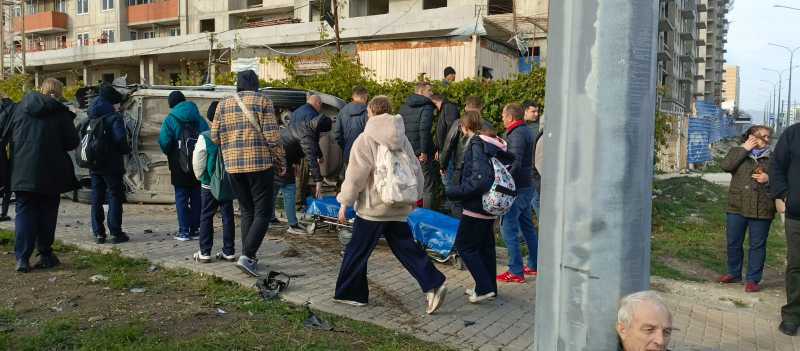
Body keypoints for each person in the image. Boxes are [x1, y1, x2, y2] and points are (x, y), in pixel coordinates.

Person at [334, 95, 447, 314]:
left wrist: (344, 202)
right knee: (406, 248)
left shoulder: (365, 139)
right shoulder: (402, 138)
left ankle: (351, 294)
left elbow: (355, 175)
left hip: (373, 208)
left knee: (356, 251)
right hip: (399, 205)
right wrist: (415, 198)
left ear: (370, 112)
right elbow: (415, 169)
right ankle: (433, 283)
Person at [211, 70, 285, 277]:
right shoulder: (263, 101)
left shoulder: (223, 103)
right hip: (260, 165)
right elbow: (272, 137)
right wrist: (281, 162)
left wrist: (232, 144)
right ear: (257, 84)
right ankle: (247, 256)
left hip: (233, 167)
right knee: (263, 211)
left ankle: (248, 257)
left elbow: (214, 137)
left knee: (246, 211)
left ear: (238, 84)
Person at [9, 78, 80, 273]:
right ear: (59, 92)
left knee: (24, 213)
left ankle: (22, 258)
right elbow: (71, 143)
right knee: (47, 214)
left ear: (41, 89)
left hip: (23, 171)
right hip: (51, 172)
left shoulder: (21, 107)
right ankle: (45, 254)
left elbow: (8, 133)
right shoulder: (61, 112)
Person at [445, 112, 513, 303]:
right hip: (491, 204)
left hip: (477, 205)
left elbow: (480, 180)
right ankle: (490, 287)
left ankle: (483, 287)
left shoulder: (476, 144)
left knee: (464, 245)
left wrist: (456, 192)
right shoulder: (492, 143)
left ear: (464, 127)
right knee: (485, 247)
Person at [717, 126, 775, 293]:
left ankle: (753, 280)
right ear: (751, 137)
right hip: (737, 205)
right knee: (733, 242)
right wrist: (744, 149)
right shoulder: (738, 151)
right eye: (763, 136)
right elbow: (726, 166)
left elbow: (783, 177)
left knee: (757, 245)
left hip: (762, 207)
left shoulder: (774, 157)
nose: (767, 139)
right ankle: (734, 273)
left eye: (768, 136)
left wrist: (768, 178)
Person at [159, 91, 208, 242]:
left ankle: (184, 231)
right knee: (196, 195)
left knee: (181, 197)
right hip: (198, 162)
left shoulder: (170, 119)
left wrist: (170, 152)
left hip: (178, 163)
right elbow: (207, 135)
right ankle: (196, 228)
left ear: (171, 104)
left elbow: (164, 142)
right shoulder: (198, 118)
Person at [497, 103, 538, 283]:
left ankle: (515, 271)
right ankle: (534, 264)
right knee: (527, 226)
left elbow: (515, 162)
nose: (502, 119)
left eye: (504, 116)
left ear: (511, 117)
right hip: (527, 185)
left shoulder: (517, 134)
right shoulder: (526, 131)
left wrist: (503, 183)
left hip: (517, 188)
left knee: (508, 228)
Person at [273, 113, 333, 234]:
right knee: (289, 189)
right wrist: (318, 181)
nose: (324, 135)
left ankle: (268, 219)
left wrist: (295, 163)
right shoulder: (307, 135)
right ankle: (293, 225)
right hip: (281, 159)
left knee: (274, 189)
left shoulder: (307, 125)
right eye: (324, 132)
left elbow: (295, 142)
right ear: (321, 129)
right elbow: (310, 157)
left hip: (280, 156)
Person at [191, 101, 236, 263]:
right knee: (227, 216)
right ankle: (229, 251)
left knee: (206, 216)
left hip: (209, 183)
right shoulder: (233, 134)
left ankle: (205, 252)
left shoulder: (205, 136)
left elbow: (198, 161)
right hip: (228, 182)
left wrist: (201, 177)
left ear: (210, 117)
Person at [87, 84, 131, 244]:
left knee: (96, 197)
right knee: (114, 196)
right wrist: (126, 149)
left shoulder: (91, 115)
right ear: (113, 102)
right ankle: (116, 232)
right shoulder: (114, 117)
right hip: (111, 164)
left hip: (94, 163)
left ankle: (99, 233)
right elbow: (120, 139)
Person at [771, 121, 800, 336]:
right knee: (796, 266)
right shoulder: (792, 134)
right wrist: (783, 195)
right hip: (797, 215)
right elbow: (777, 167)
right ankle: (792, 316)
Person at [440, 96, 485, 217]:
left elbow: (448, 144)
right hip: (478, 170)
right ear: (481, 108)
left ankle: (458, 229)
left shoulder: (459, 123)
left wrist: (442, 165)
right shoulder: (486, 124)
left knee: (457, 201)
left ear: (466, 107)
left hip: (459, 167)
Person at [398, 81, 436, 208]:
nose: (432, 93)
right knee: (427, 186)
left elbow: (400, 129)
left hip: (406, 152)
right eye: (429, 90)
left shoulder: (404, 107)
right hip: (421, 153)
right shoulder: (427, 107)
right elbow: (424, 129)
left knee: (408, 184)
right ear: (421, 91)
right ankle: (425, 218)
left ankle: (408, 214)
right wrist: (424, 151)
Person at [334, 86, 368, 167]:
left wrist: (345, 146)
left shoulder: (342, 111)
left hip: (347, 153)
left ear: (353, 97)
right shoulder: (368, 112)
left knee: (349, 178)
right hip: (364, 155)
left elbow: (337, 134)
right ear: (364, 97)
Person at [0, 96, 16, 222]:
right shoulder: (12, 107)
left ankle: (3, 213)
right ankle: (3, 213)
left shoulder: (9, 108)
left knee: (6, 181)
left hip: (5, 146)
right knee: (7, 182)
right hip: (7, 147)